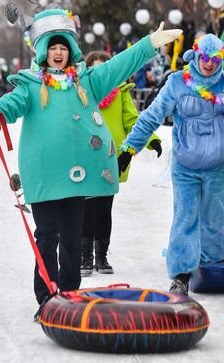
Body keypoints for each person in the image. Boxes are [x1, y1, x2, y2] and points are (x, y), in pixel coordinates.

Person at [0, 7, 180, 320]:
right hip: (44, 174)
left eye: (63, 47)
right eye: (52, 47)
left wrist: (149, 43)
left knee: (72, 238)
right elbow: (11, 103)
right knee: (47, 236)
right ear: (43, 50)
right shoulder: (31, 83)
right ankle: (46, 299)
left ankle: (69, 296)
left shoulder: (86, 81)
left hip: (77, 176)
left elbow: (119, 65)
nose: (58, 53)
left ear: (70, 50)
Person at [119, 34, 224, 295]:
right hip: (186, 166)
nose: (210, 64)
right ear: (195, 56)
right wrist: (129, 147)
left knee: (214, 219)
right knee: (185, 217)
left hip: (218, 166)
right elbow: (152, 117)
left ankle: (212, 268)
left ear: (222, 59)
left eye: (215, 59)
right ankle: (181, 273)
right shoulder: (177, 82)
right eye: (205, 58)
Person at [80, 51, 163, 276]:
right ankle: (85, 257)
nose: (101, 74)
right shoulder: (81, 94)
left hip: (110, 158)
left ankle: (102, 257)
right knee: (86, 208)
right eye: (95, 70)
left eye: (105, 68)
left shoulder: (121, 94)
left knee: (104, 209)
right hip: (85, 158)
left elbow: (133, 120)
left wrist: (152, 139)